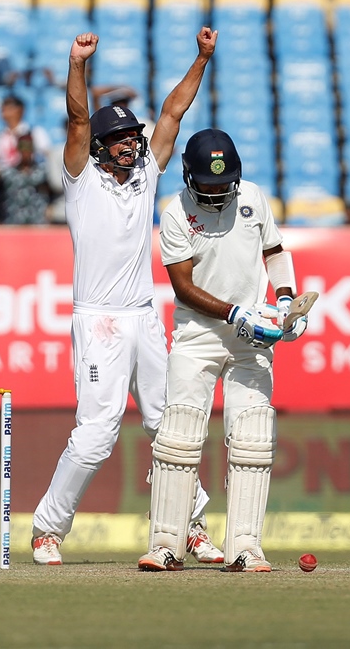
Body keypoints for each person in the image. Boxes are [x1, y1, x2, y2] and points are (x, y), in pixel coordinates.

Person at [31, 28, 220, 566]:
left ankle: (189, 526)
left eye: (133, 138)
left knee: (169, 426)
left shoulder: (144, 175)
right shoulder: (80, 179)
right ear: (98, 148)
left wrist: (201, 58)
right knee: (96, 434)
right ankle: (48, 529)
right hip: (99, 322)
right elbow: (77, 119)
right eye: (120, 139)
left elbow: (172, 114)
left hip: (144, 317)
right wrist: (77, 65)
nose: (132, 144)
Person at [137, 128, 306, 573]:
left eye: (222, 184)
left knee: (252, 438)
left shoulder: (251, 196)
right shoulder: (175, 215)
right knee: (179, 438)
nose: (215, 193)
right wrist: (236, 314)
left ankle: (245, 547)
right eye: (206, 185)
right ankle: (166, 544)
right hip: (198, 336)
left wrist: (285, 299)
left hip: (251, 340)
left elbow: (275, 252)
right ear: (189, 177)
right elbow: (184, 287)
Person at [0, 93, 51, 171]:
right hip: (4, 176)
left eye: (9, 107)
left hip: (30, 174)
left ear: (20, 110)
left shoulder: (35, 132)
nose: (3, 110)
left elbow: (45, 154)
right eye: (3, 107)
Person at [0, 133, 51, 225]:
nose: (26, 152)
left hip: (37, 222)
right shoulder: (8, 174)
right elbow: (1, 198)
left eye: (28, 148)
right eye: (23, 148)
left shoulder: (42, 173)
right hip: (14, 223)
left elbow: (49, 193)